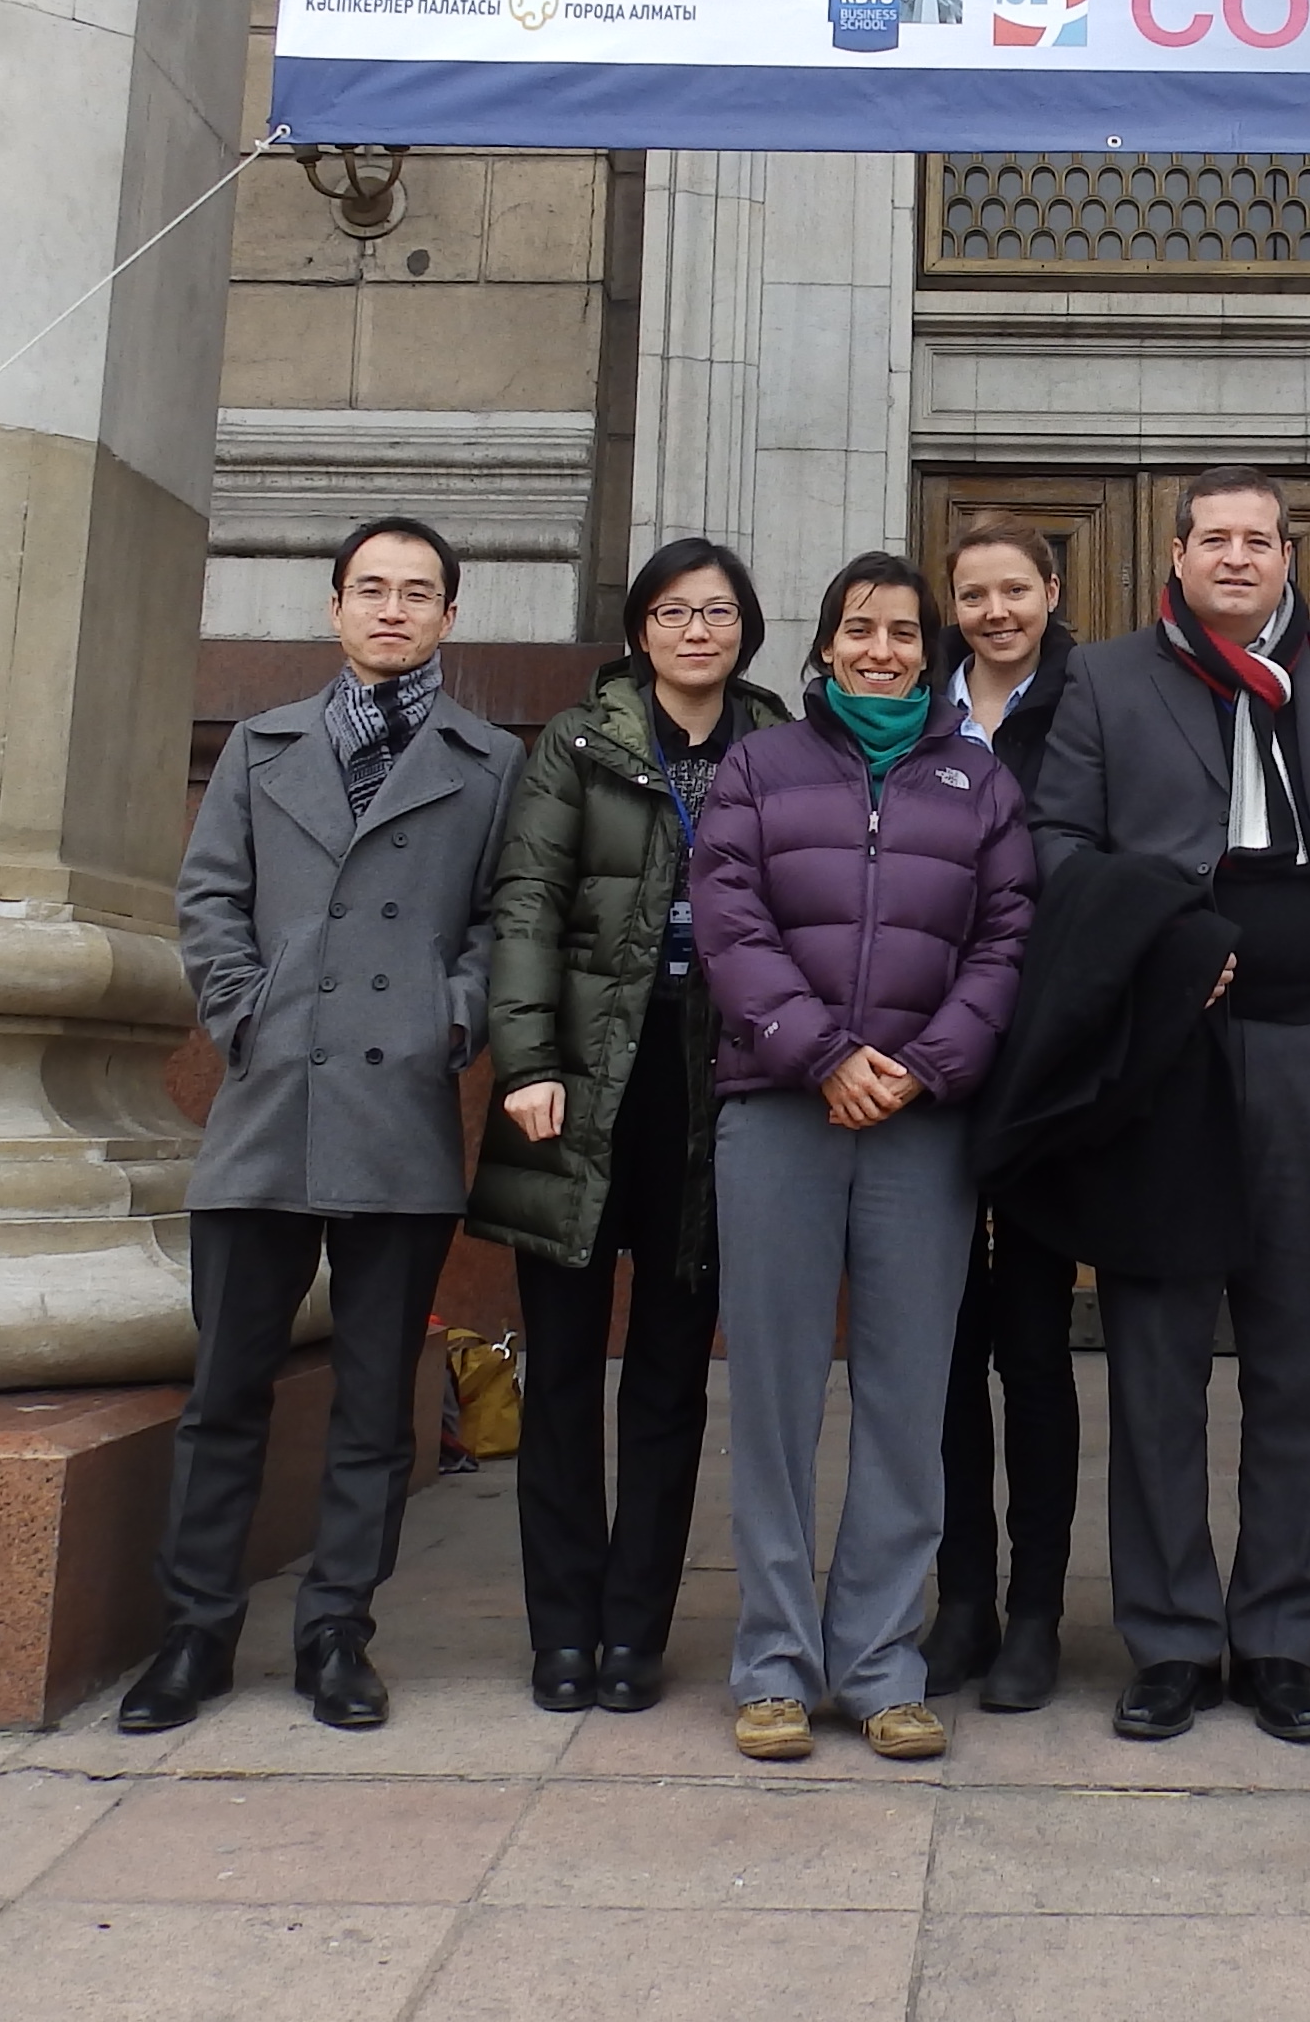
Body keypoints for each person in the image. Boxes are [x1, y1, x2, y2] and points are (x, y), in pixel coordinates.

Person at [1027, 465, 1310, 1746]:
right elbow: (1056, 847)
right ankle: (1166, 1642)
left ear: (1286, 556)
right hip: (1171, 1064)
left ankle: (1278, 1639)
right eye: (1216, 538)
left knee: (1306, 1361)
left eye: (1261, 539)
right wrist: (1156, 949)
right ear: (1177, 552)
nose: (1239, 557)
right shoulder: (1106, 679)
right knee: (1155, 1364)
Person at [122, 517, 520, 1734]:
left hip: (398, 1109)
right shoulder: (260, 746)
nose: (393, 610)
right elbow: (209, 898)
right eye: (371, 589)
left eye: (418, 593)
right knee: (226, 1392)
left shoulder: (491, 762)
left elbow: (504, 918)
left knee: (372, 1400)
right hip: (268, 1103)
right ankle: (193, 1635)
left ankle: (338, 1634)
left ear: (450, 615)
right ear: (334, 605)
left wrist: (452, 1018)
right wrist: (243, 1014)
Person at [690, 550, 1034, 1763]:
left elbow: (1006, 940)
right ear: (826, 645)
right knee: (775, 1399)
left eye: (900, 632)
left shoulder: (978, 782)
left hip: (920, 1126)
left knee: (905, 1398)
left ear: (928, 652)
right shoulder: (760, 765)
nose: (880, 650)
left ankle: (884, 1662)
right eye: (858, 628)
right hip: (780, 1110)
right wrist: (824, 1054)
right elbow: (728, 920)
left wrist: (924, 1067)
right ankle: (774, 1666)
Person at [465, 538, 787, 1718]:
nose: (696, 631)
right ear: (640, 628)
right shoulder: (575, 741)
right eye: (673, 611)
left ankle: (633, 1633)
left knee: (669, 1370)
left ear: (746, 629)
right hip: (578, 1082)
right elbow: (527, 907)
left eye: (717, 611)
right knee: (561, 1368)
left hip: (717, 1088)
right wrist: (526, 1061)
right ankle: (564, 1628)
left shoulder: (780, 747)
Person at [926, 514, 1082, 1710]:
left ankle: (1036, 1611)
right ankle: (961, 1601)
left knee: (1032, 1350)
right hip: (924, 1063)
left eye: (1014, 591)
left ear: (1051, 591)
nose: (995, 613)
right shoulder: (913, 709)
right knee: (939, 1352)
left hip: (1041, 1067)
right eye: (974, 595)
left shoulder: (1094, 703)